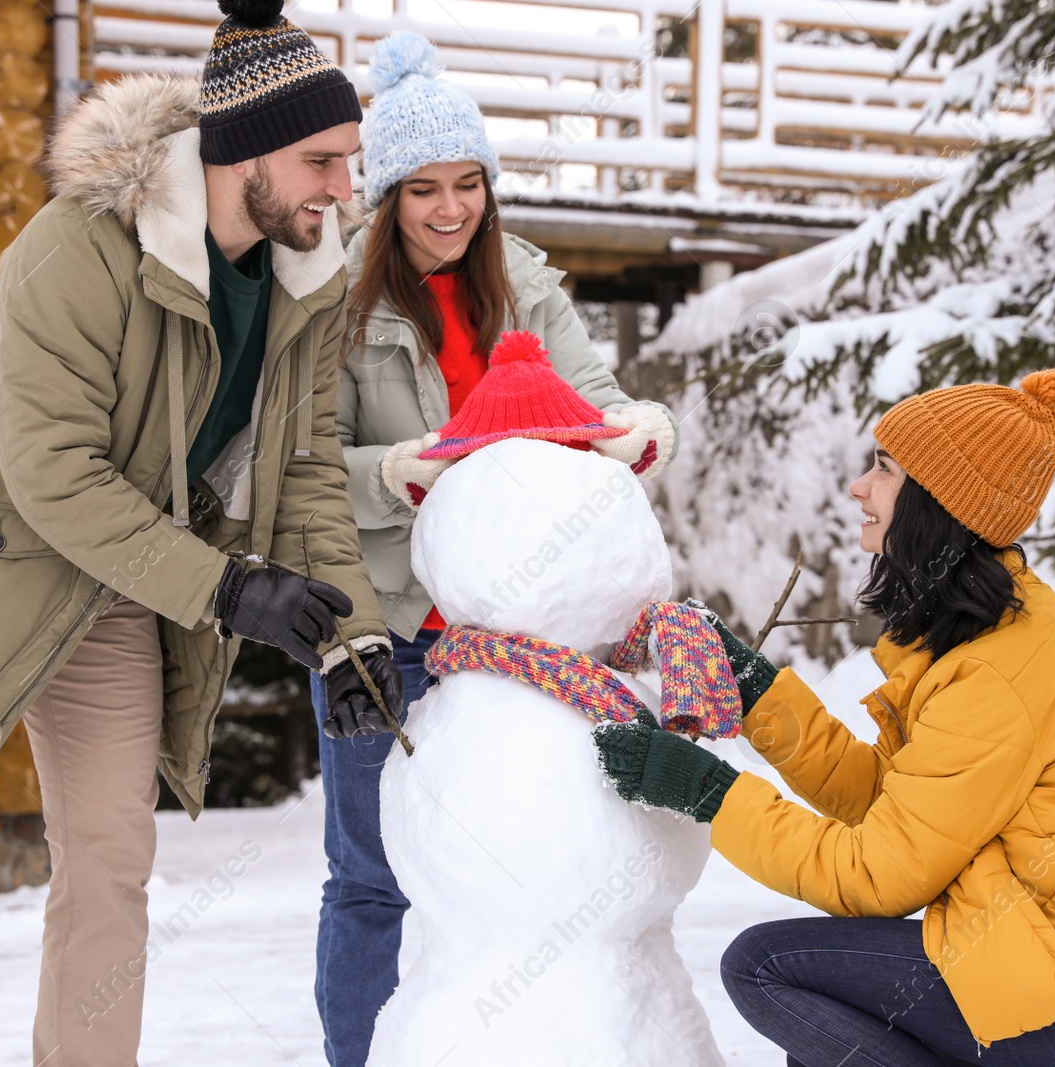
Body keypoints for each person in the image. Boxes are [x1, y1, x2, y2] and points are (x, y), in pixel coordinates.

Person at [0, 1, 402, 1062]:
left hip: (119, 579)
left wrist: (353, 635)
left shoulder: (306, 273)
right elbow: (51, 471)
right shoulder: (77, 246)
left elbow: (304, 470)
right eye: (323, 161)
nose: (346, 189)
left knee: (112, 862)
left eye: (351, 161)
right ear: (245, 150)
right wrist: (223, 588)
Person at [594, 369, 1055, 1067]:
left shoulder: (994, 672)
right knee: (822, 1043)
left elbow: (878, 875)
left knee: (766, 968)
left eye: (883, 468)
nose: (858, 487)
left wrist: (706, 791)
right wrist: (759, 694)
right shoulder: (983, 630)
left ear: (940, 502)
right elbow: (899, 812)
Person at [312, 31, 679, 1067]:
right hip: (386, 623)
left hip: (515, 632)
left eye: (468, 184)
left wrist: (637, 428)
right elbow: (289, 470)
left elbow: (597, 404)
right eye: (421, 188)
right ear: (383, 198)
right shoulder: (335, 304)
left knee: (526, 864)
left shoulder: (520, 281)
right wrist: (391, 470)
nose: (448, 209)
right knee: (374, 871)